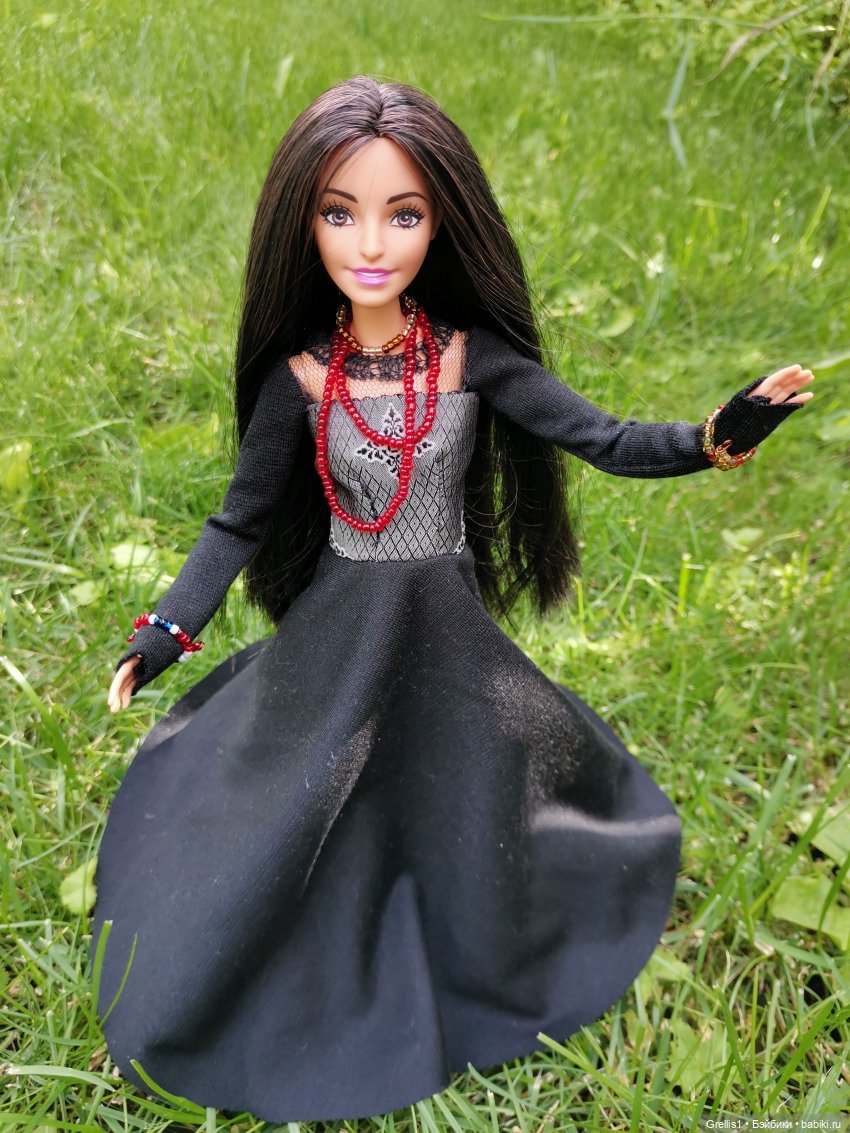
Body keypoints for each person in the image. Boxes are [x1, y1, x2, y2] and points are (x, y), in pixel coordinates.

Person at [93, 75, 813, 1122]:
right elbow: (238, 520)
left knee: (467, 781)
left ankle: (473, 922)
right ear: (303, 224)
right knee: (314, 791)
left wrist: (719, 435)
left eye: (404, 214)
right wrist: (162, 631)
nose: (370, 243)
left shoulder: (473, 362)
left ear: (442, 224)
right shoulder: (303, 379)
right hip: (344, 629)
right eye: (339, 212)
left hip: (446, 628)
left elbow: (604, 439)